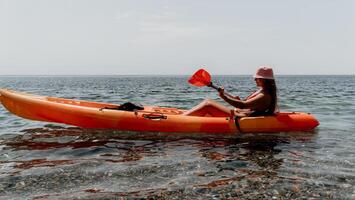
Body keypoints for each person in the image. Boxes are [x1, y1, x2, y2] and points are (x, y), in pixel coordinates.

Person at [184, 66, 278, 117]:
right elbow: (246, 104)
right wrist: (236, 99)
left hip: (239, 116)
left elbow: (243, 105)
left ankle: (181, 119)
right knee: (208, 103)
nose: (255, 80)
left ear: (264, 80)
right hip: (240, 112)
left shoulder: (264, 95)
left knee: (208, 104)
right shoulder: (263, 91)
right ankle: (184, 115)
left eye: (257, 78)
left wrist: (224, 97)